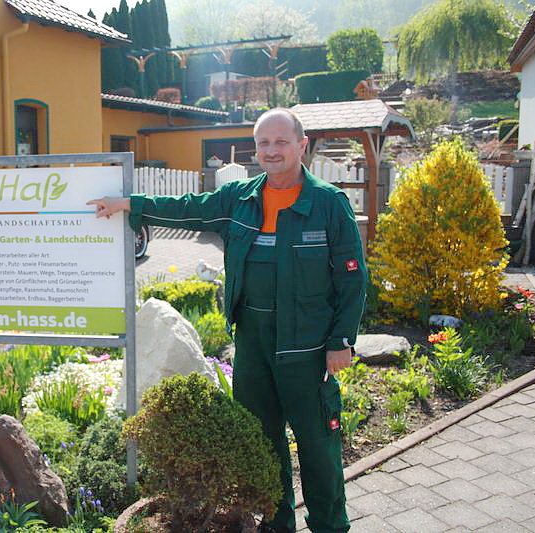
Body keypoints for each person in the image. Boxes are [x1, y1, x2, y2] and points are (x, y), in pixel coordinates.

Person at [88, 108, 367, 532]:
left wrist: (341, 341)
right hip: (253, 342)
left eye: (281, 142)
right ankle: (276, 524)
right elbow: (187, 208)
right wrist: (128, 204)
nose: (271, 151)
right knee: (263, 442)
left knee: (317, 444)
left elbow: (352, 278)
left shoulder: (328, 204)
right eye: (263, 143)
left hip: (307, 347)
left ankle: (330, 526)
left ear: (301, 145)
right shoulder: (239, 199)